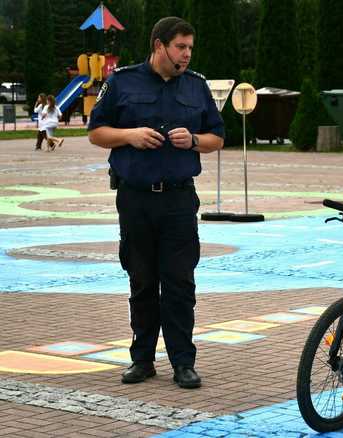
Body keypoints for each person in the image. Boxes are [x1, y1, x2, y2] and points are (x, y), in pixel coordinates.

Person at [87, 16, 224, 389]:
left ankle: (183, 363)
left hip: (179, 200)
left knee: (180, 282)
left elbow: (217, 138)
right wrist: (129, 135)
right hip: (135, 200)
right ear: (159, 45)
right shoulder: (122, 81)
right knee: (142, 281)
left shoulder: (197, 87)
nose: (187, 55)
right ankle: (142, 360)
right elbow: (96, 132)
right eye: (181, 47)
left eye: (190, 48)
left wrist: (194, 140)